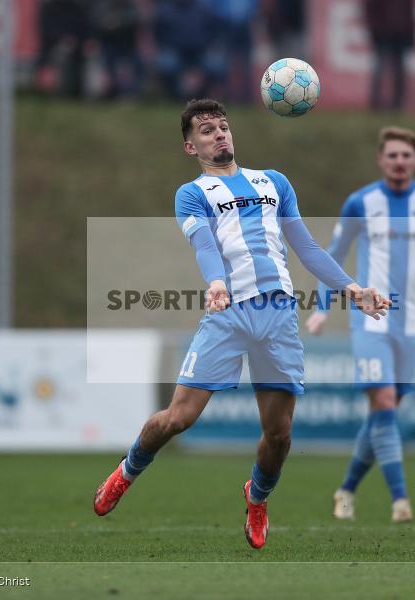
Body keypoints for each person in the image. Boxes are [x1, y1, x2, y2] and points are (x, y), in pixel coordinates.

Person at [93, 99, 391, 550]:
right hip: (228, 313)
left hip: (279, 316)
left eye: (223, 126)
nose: (219, 134)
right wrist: (216, 282)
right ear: (190, 147)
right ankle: (127, 470)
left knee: (279, 434)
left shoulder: (273, 182)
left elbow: (307, 247)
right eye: (207, 130)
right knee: (179, 418)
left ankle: (257, 496)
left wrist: (352, 288)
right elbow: (204, 244)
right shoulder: (192, 193)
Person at [305, 127, 415, 523]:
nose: (399, 162)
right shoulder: (361, 202)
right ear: (380, 160)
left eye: (405, 155)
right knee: (382, 402)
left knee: (385, 413)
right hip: (370, 321)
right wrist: (323, 308)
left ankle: (346, 489)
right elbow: (331, 258)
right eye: (392, 155)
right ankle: (401, 501)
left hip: (410, 323)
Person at [363, 0, 415, 110]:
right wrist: (375, 29)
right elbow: (370, 9)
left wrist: (411, 34)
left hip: (401, 34)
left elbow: (410, 12)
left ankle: (396, 104)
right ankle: (376, 103)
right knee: (381, 69)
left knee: (398, 71)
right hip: (384, 34)